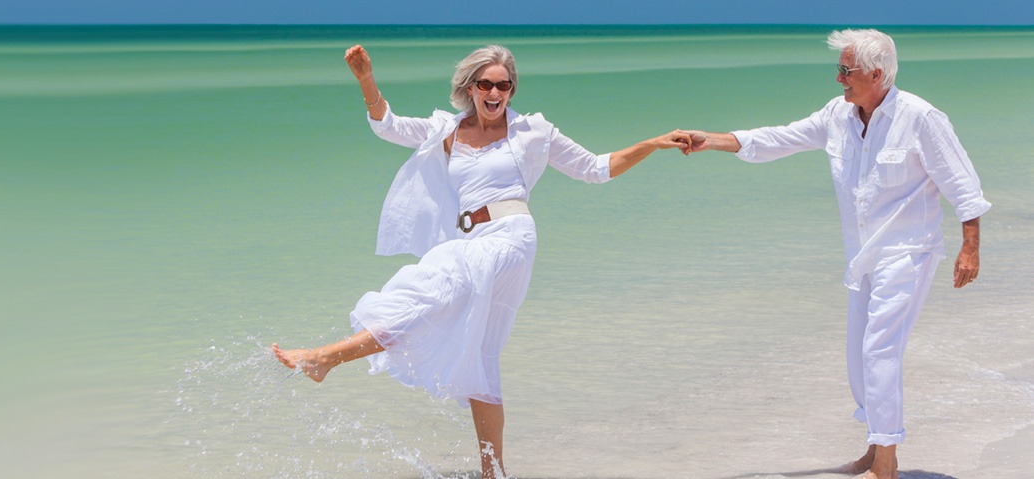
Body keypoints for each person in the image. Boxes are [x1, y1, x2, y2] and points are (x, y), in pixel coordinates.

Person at [273, 44, 691, 479]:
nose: (495, 92)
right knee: (481, 356)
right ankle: (494, 473)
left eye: (504, 85)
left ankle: (325, 358)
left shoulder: (533, 132)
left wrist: (652, 143)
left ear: (511, 90)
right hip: (471, 238)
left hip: (511, 239)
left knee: (428, 294)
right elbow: (387, 126)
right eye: (486, 83)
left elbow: (596, 167)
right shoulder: (447, 131)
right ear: (470, 88)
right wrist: (365, 79)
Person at [681, 29, 990, 479]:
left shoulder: (920, 117)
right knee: (858, 358)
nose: (839, 79)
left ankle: (885, 467)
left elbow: (964, 186)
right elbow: (779, 138)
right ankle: (877, 447)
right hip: (862, 257)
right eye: (839, 69)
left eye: (846, 71)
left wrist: (970, 250)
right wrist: (711, 139)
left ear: (877, 73)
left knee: (879, 350)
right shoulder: (838, 116)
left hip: (908, 253)